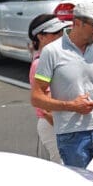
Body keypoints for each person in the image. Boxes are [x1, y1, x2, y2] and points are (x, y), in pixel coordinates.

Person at [30, 2, 93, 168]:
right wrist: (71, 106)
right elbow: (37, 98)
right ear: (78, 23)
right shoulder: (52, 52)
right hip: (72, 135)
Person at [28, 14, 70, 163]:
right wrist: (64, 127)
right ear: (40, 36)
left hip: (62, 120)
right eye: (55, 33)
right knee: (64, 166)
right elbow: (44, 106)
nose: (61, 36)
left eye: (62, 32)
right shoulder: (39, 64)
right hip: (53, 123)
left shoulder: (55, 57)